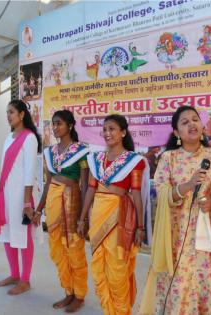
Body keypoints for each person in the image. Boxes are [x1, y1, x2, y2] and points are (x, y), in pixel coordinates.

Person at [139, 106, 211, 315]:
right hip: (175, 236)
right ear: (177, 133)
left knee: (203, 281)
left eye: (195, 120)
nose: (192, 124)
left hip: (206, 236)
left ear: (202, 126)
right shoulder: (168, 158)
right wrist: (187, 186)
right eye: (185, 122)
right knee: (178, 285)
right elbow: (160, 192)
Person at [77, 114, 148, 315]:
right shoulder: (96, 160)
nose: (107, 133)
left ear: (123, 132)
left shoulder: (134, 162)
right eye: (105, 129)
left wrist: (140, 228)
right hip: (98, 219)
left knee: (117, 271)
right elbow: (91, 189)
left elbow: (136, 195)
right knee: (99, 271)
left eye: (112, 129)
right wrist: (82, 218)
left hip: (120, 220)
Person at [34, 110, 89, 312]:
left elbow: (84, 184)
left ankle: (79, 295)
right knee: (58, 250)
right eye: (53, 124)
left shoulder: (81, 151)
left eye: (59, 124)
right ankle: (68, 291)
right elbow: (48, 183)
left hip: (72, 201)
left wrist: (84, 217)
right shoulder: (50, 153)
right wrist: (39, 209)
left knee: (74, 249)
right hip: (53, 204)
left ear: (70, 126)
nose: (55, 128)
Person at [0, 99, 42, 296]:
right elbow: (4, 169)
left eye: (11, 112)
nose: (8, 116)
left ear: (22, 115)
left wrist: (27, 202)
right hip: (6, 194)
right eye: (7, 112)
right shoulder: (8, 138)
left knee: (23, 235)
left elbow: (29, 172)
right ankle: (14, 274)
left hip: (22, 195)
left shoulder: (29, 138)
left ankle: (25, 280)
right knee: (7, 233)